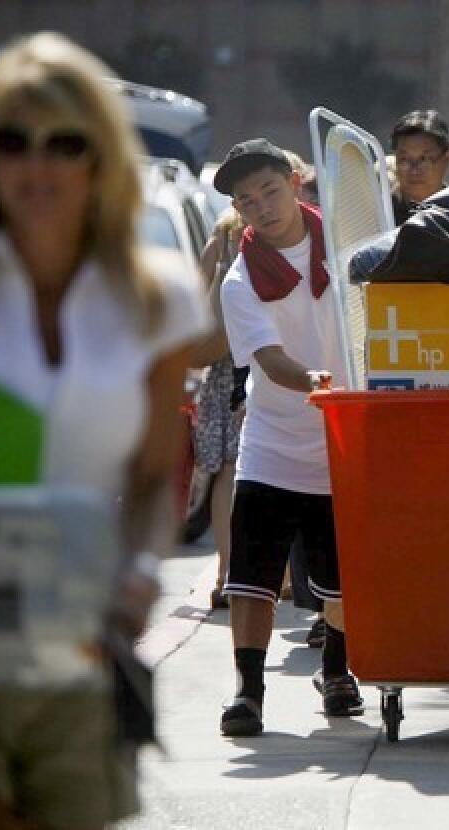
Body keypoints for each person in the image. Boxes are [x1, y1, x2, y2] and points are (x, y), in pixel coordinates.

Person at [0, 32, 208, 828]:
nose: (39, 164)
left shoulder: (156, 297)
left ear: (101, 156)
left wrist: (135, 575)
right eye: (12, 141)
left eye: (65, 142)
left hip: (80, 650)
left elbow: (155, 480)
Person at [214, 138, 361, 736]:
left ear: (297, 182)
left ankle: (338, 671)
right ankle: (248, 689)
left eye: (270, 190)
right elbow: (269, 361)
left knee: (341, 576)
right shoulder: (240, 279)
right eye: (247, 201)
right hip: (273, 442)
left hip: (347, 434)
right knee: (251, 577)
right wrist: (315, 382)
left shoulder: (353, 249)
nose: (262, 207)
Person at [188, 205, 246, 612]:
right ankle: (268, 577)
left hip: (224, 367)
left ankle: (228, 574)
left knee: (228, 472)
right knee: (250, 473)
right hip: (251, 365)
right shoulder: (241, 239)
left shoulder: (222, 238)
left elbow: (187, 309)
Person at [390, 109, 449, 225]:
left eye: (424, 159)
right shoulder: (378, 215)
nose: (414, 170)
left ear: (447, 158)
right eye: (404, 159)